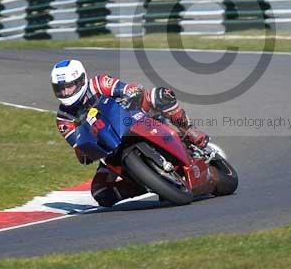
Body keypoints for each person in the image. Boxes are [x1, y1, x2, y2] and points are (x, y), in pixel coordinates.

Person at [50, 59, 209, 207]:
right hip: (108, 149)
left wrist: (131, 92)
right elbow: (78, 147)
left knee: (159, 95)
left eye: (68, 86)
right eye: (60, 89)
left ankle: (188, 129)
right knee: (100, 193)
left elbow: (129, 88)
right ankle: (144, 184)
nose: (65, 92)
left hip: (130, 117)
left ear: (81, 80)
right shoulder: (63, 119)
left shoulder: (98, 83)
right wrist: (84, 152)